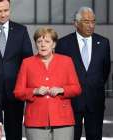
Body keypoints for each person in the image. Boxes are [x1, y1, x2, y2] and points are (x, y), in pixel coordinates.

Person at [14, 27, 81, 140]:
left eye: (47, 41)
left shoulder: (66, 61)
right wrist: (34, 91)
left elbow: (77, 88)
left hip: (63, 120)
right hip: (36, 121)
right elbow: (18, 92)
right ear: (35, 44)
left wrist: (62, 90)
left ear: (54, 44)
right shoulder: (27, 63)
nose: (43, 45)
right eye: (39, 41)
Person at [55, 7, 111, 140]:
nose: (91, 25)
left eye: (93, 21)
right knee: (72, 136)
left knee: (95, 136)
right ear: (76, 23)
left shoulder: (103, 43)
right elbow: (59, 72)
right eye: (86, 21)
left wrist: (92, 84)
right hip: (71, 102)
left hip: (95, 100)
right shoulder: (63, 44)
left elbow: (105, 70)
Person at [0, 0, 33, 139]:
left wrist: (25, 86)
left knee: (14, 132)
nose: (2, 14)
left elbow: (28, 60)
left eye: (6, 10)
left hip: (15, 90)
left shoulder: (21, 30)